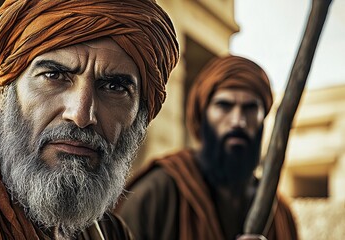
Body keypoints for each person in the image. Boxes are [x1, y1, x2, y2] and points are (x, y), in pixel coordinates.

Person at [0, 0, 179, 239]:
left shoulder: (113, 233)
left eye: (114, 88)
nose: (80, 115)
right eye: (54, 75)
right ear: (5, 89)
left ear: (140, 115)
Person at [116, 55, 298, 240]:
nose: (238, 121)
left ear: (263, 117)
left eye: (250, 108)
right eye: (224, 106)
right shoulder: (157, 193)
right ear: (203, 115)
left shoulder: (279, 212)